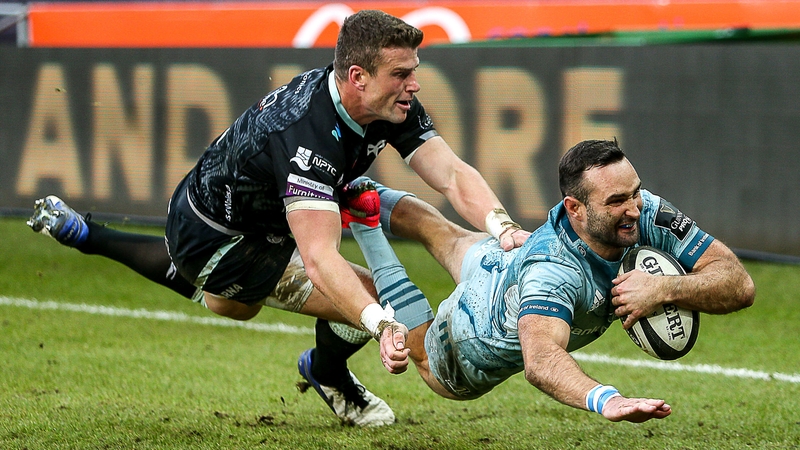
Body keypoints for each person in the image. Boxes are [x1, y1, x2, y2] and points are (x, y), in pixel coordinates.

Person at [26, 10, 528, 427]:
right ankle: (329, 376)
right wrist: (381, 326)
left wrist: (501, 225)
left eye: (413, 71)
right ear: (358, 77)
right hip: (220, 236)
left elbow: (453, 175)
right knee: (324, 301)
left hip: (258, 210)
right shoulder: (308, 137)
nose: (413, 85)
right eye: (401, 74)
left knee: (235, 303)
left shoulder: (387, 103)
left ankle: (88, 234)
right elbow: (319, 258)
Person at [347, 138, 755, 422]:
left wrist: (664, 288)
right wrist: (605, 400)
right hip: (469, 338)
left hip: (502, 258)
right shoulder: (554, 273)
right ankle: (363, 224)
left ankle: (352, 189)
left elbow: (739, 284)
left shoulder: (646, 211)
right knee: (416, 348)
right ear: (574, 208)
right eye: (617, 202)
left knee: (440, 232)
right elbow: (541, 360)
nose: (633, 209)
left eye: (636, 192)